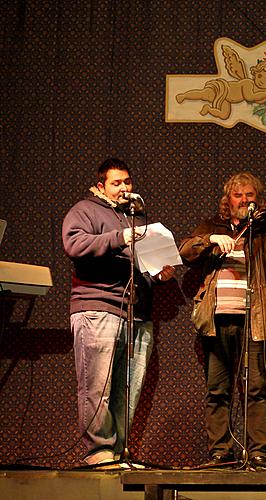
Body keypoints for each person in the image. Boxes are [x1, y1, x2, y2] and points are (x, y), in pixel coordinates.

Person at [62, 158, 175, 465]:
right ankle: (99, 450)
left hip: (136, 314)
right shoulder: (84, 211)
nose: (124, 187)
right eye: (116, 183)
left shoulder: (133, 218)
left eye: (127, 181)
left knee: (128, 388)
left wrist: (157, 273)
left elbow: (136, 262)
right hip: (98, 309)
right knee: (97, 385)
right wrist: (120, 237)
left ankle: (119, 451)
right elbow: (75, 245)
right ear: (101, 186)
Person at [179, 172, 266, 469]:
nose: (244, 200)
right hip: (216, 319)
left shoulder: (264, 231)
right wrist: (210, 240)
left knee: (256, 389)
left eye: (249, 195)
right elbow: (185, 252)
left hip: (253, 319)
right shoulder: (214, 226)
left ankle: (258, 451)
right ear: (228, 201)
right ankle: (220, 451)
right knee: (218, 389)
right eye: (238, 195)